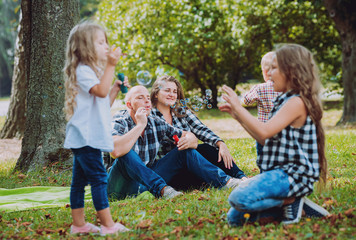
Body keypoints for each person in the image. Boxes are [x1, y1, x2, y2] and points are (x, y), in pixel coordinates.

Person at [219, 44, 329, 226]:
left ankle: (291, 200)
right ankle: (293, 208)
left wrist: (239, 107)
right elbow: (265, 139)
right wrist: (237, 116)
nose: (268, 73)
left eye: (274, 68)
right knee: (234, 219)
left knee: (238, 197)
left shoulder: (297, 102)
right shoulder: (283, 100)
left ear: (291, 71)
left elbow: (264, 131)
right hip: (279, 173)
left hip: (291, 175)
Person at [107, 86, 241, 200]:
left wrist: (189, 140)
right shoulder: (120, 119)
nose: (147, 101)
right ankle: (163, 190)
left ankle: (226, 181)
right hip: (119, 186)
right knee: (126, 153)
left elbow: (188, 135)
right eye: (140, 98)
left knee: (184, 151)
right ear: (129, 105)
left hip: (146, 182)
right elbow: (116, 150)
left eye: (148, 97)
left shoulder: (155, 122)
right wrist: (140, 125)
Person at [63, 21, 129, 235]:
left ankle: (79, 224)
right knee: (100, 179)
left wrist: (115, 89)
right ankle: (108, 226)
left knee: (79, 182)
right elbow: (100, 92)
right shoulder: (82, 71)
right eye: (100, 42)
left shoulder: (92, 73)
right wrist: (111, 66)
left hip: (85, 137)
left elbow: (103, 102)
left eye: (106, 42)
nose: (106, 46)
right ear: (85, 48)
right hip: (86, 137)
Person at [150, 75, 247, 190]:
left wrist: (220, 143)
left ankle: (242, 177)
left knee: (207, 148)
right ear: (156, 94)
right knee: (187, 152)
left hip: (190, 164)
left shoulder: (181, 111)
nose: (172, 94)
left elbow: (201, 129)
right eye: (167, 90)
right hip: (169, 171)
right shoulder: (150, 116)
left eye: (174, 91)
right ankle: (225, 182)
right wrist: (189, 141)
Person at [242, 52, 280, 156]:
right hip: (281, 131)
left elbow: (246, 101)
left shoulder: (259, 88)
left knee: (263, 157)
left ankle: (264, 171)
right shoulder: (285, 88)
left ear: (264, 72)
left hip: (263, 132)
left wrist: (251, 95)